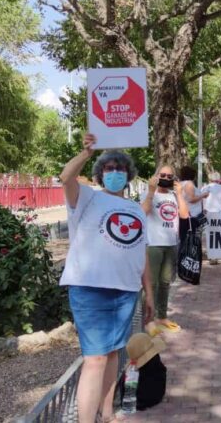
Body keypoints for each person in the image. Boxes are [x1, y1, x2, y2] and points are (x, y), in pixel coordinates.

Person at [59, 134, 154, 423]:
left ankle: (107, 412)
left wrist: (149, 292)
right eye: (109, 168)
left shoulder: (136, 209)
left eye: (120, 168)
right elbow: (65, 177)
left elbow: (142, 252)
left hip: (125, 291)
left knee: (113, 354)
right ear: (100, 174)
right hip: (91, 289)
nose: (115, 173)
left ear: (128, 175)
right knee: (95, 358)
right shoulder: (87, 197)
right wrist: (86, 153)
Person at [141, 165, 189, 335]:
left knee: (165, 283)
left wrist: (179, 194)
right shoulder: (149, 194)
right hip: (153, 244)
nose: (166, 178)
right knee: (151, 284)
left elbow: (184, 216)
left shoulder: (173, 196)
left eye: (170, 176)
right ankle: (148, 320)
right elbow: (142, 213)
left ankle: (161, 316)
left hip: (171, 244)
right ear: (156, 176)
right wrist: (150, 192)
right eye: (163, 175)